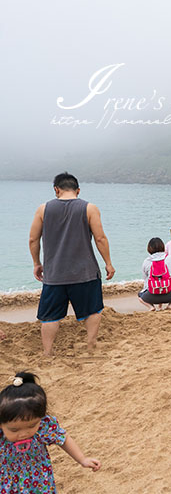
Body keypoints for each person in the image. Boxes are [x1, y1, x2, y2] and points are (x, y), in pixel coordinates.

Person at [28, 173, 115, 356]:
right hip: (85, 273)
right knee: (92, 310)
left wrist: (37, 263)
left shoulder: (43, 209)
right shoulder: (90, 208)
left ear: (56, 190)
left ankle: (48, 352)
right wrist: (108, 263)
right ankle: (91, 345)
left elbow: (33, 239)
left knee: (50, 316)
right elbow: (100, 238)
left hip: (54, 275)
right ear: (78, 190)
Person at [1, 372, 100, 492]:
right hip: (8, 484)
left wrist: (82, 459)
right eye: (14, 430)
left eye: (32, 425)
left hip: (39, 483)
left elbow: (63, 439)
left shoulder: (43, 426)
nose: (23, 434)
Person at [138, 237, 171, 311]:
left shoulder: (146, 261)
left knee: (140, 296)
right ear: (162, 247)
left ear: (149, 248)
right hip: (170, 293)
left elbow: (145, 279)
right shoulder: (170, 258)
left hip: (151, 296)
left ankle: (151, 307)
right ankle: (170, 305)